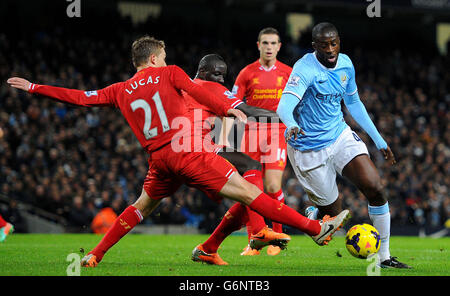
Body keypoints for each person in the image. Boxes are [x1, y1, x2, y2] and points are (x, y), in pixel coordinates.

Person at [8, 36, 350, 268]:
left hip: (158, 159)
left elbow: (81, 98)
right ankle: (314, 228)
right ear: (155, 59)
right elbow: (200, 94)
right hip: (186, 151)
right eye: (165, 56)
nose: (168, 61)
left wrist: (36, 87)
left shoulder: (119, 89)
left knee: (141, 206)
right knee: (250, 191)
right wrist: (229, 109)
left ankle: (95, 254)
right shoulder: (170, 73)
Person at [277, 22, 411, 269]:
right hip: (308, 148)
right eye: (324, 45)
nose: (330, 49)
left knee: (376, 187)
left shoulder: (346, 64)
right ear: (315, 45)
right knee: (335, 216)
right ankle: (317, 212)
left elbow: (354, 103)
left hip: (339, 136)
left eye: (334, 43)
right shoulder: (304, 68)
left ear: (339, 42)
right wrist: (291, 123)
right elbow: (284, 105)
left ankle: (384, 257)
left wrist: (378, 140)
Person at [184, 54, 290, 264]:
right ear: (204, 72)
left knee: (251, 191)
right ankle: (264, 233)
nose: (222, 80)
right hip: (198, 152)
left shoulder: (186, 86)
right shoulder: (213, 87)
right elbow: (246, 111)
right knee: (253, 182)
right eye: (218, 74)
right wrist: (286, 117)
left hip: (181, 150)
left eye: (223, 75)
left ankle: (215, 247)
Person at [231, 27, 293, 256]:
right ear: (258, 45)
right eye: (265, 43)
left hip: (277, 131)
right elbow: (232, 103)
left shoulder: (288, 73)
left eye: (273, 43)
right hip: (251, 134)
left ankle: (278, 237)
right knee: (250, 190)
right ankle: (253, 241)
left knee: (272, 186)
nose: (269, 47)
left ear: (279, 46)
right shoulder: (246, 73)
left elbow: (298, 102)